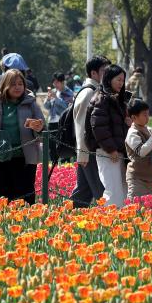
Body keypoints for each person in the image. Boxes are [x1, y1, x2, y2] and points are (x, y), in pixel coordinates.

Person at [0, 69, 45, 204]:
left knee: (25, 199)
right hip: (1, 158)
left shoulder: (31, 103)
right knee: (1, 199)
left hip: (25, 158)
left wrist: (38, 128)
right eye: (13, 84)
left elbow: (44, 130)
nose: (17, 87)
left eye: (20, 84)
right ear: (5, 85)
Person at [87, 64, 131, 207]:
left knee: (123, 189)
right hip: (108, 152)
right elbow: (99, 127)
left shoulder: (118, 99)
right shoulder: (102, 99)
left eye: (123, 80)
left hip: (119, 151)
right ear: (109, 79)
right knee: (113, 190)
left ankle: (121, 217)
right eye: (118, 79)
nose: (121, 83)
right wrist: (110, 149)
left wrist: (128, 123)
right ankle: (109, 217)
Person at [70, 55, 110, 207]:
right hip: (89, 150)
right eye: (104, 70)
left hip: (89, 149)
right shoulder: (89, 93)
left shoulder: (96, 90)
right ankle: (109, 216)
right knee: (101, 190)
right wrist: (83, 152)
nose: (108, 73)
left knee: (83, 191)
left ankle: (68, 216)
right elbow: (81, 125)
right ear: (94, 73)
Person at [125, 99, 152, 199]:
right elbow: (141, 152)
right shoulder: (132, 133)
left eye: (148, 114)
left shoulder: (149, 130)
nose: (147, 117)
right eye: (144, 115)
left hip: (148, 177)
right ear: (134, 117)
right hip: (136, 178)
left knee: (146, 207)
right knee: (135, 205)